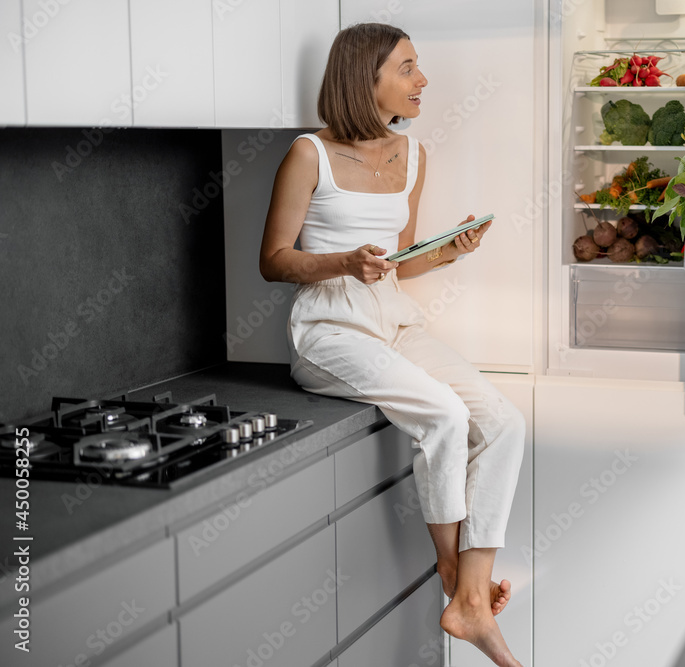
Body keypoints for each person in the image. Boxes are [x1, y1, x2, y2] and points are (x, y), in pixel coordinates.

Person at [258, 22, 526, 667]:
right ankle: (454, 576)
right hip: (329, 327)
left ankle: (466, 595)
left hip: (393, 318)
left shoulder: (413, 156)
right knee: (445, 414)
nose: (423, 80)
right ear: (365, 76)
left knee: (504, 421)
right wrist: (343, 263)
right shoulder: (308, 155)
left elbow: (396, 264)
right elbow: (273, 260)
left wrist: (446, 253)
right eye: (408, 67)